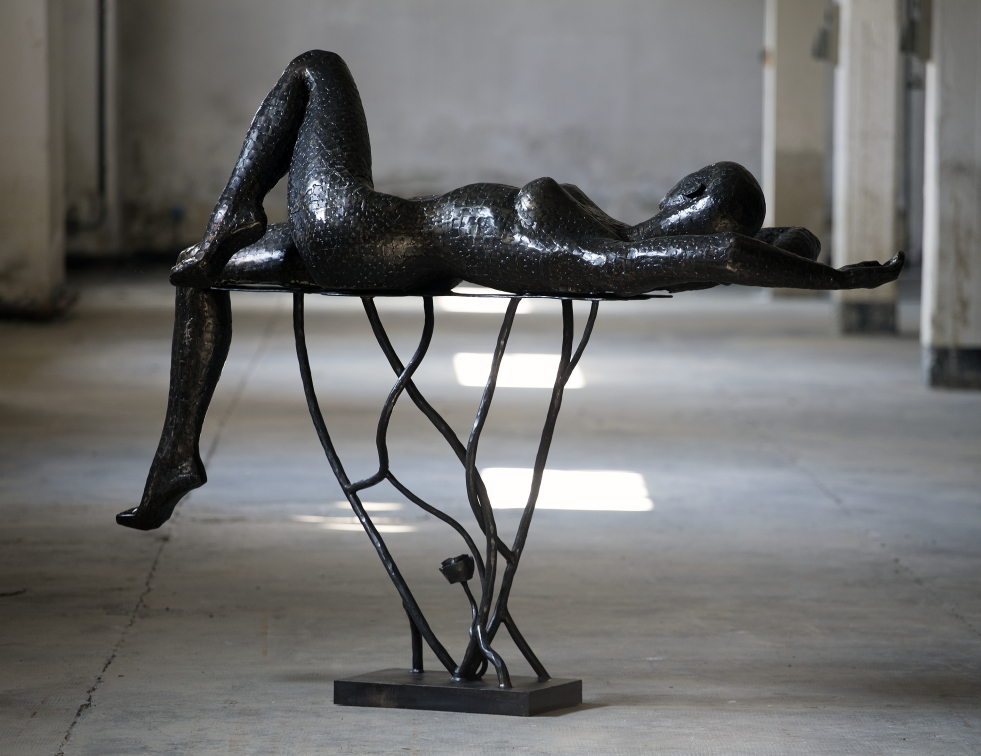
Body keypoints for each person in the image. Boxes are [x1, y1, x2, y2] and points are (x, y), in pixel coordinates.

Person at [116, 50, 903, 530]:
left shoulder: (595, 253)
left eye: (694, 188)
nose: (677, 189)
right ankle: (176, 455)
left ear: (698, 208)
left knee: (317, 69)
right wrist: (804, 260)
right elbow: (755, 248)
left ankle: (232, 213)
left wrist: (832, 279)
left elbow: (727, 256)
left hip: (358, 236)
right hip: (373, 241)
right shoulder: (613, 235)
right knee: (197, 269)